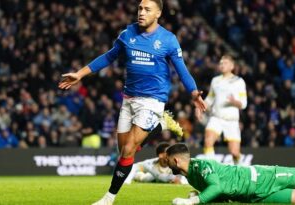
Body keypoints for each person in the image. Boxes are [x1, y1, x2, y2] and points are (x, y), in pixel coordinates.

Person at [58, 0, 207, 204]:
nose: (141, 12)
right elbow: (109, 57)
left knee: (129, 149)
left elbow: (182, 69)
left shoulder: (168, 40)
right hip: (129, 99)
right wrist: (80, 74)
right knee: (125, 152)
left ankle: (108, 199)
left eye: (147, 9)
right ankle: (161, 124)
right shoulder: (127, 34)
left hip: (152, 100)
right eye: (140, 8)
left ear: (158, 14)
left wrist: (193, 92)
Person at [166, 143, 295, 205]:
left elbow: (216, 187)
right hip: (255, 196)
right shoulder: (191, 176)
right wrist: (198, 197)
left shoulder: (202, 166)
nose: (165, 165)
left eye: (167, 161)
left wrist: (193, 201)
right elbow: (220, 194)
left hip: (265, 177)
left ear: (176, 161)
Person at [196, 55, 247, 164]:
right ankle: (212, 170)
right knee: (208, 141)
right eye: (221, 63)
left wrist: (235, 102)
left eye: (225, 63)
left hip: (231, 120)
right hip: (216, 117)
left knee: (235, 153)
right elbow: (210, 98)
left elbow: (244, 104)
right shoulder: (215, 81)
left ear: (232, 66)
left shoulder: (239, 81)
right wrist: (199, 106)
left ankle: (239, 168)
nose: (222, 65)